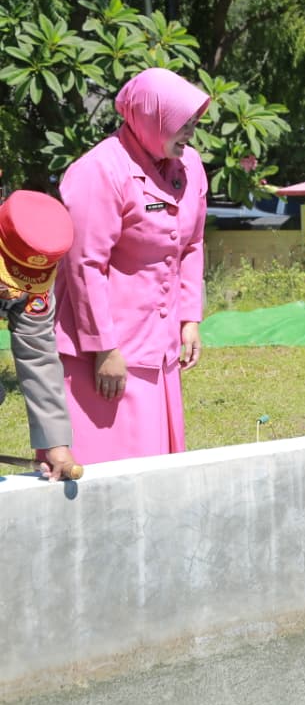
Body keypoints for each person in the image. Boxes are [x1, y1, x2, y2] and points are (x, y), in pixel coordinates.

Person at [54, 67, 210, 462]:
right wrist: (104, 349)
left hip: (159, 347)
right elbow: (84, 263)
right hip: (107, 352)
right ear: (150, 117)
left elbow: (193, 243)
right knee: (109, 468)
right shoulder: (100, 170)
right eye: (182, 123)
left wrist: (189, 318)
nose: (190, 132)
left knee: (157, 470)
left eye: (193, 123)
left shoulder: (189, 166)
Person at [0, 191, 81, 480]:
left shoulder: (37, 278)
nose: (15, 291)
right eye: (9, 277)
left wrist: (56, 442)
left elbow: (39, 355)